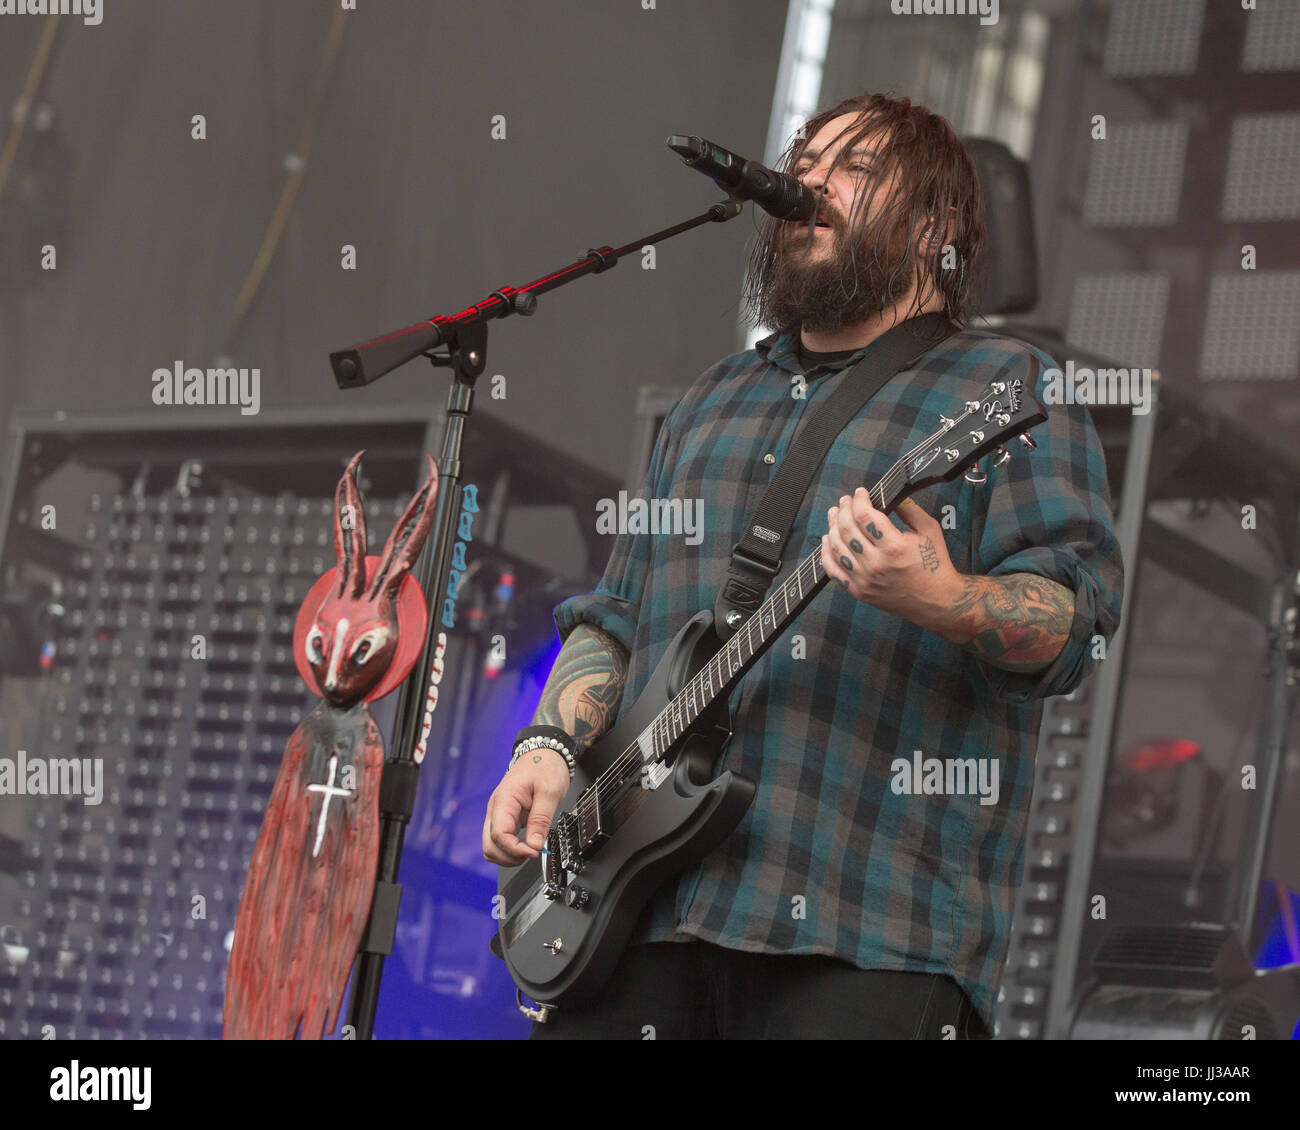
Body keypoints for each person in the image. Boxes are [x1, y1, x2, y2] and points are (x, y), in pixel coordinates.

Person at [483, 92, 1124, 1039]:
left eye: (854, 170)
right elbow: (615, 614)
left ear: (934, 225)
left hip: (865, 928)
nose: (811, 183)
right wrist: (546, 748)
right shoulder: (709, 401)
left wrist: (943, 597)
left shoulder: (1003, 388)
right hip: (637, 921)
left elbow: (1076, 624)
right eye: (807, 162)